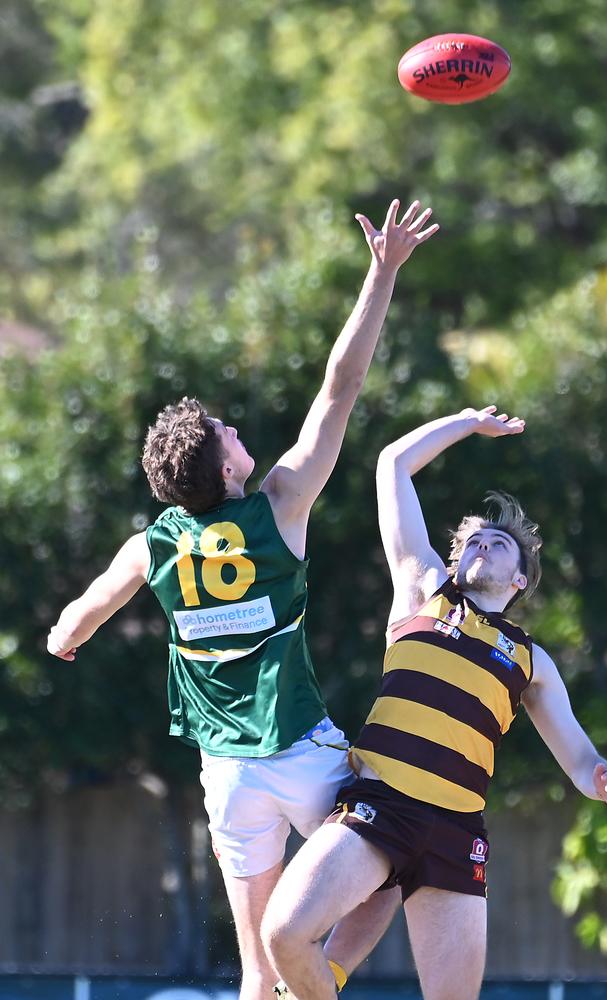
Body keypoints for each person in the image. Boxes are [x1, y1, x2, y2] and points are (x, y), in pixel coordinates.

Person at [47, 199, 440, 1000]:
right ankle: (328, 974)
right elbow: (343, 384)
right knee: (402, 863)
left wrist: (65, 635)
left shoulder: (150, 546)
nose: (234, 429)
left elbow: (83, 612)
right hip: (304, 754)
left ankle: (301, 980)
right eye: (225, 430)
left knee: (256, 973)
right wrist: (382, 272)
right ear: (226, 470)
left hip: (228, 775)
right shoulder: (279, 507)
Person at [262, 405, 607, 1000]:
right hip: (380, 808)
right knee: (283, 935)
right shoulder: (422, 589)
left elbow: (579, 756)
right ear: (454, 562)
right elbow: (393, 465)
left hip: (457, 833)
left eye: (500, 542)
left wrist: (602, 780)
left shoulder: (529, 660)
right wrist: (464, 422)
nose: (484, 542)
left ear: (519, 582)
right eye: (474, 540)